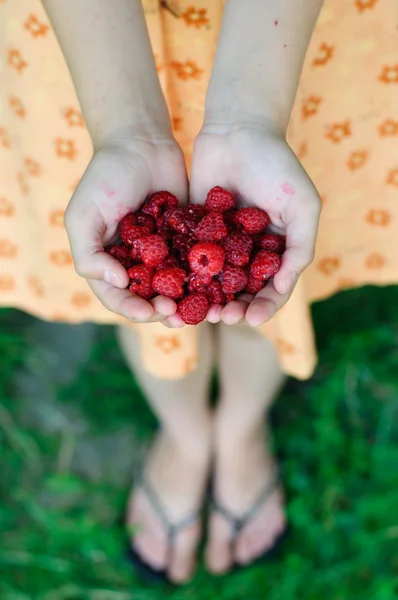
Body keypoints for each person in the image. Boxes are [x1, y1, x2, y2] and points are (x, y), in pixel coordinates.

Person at [1, 0, 397, 585]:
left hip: (290, 40)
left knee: (273, 286)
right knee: (140, 295)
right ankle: (185, 433)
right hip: (92, 50)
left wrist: (250, 117)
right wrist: (125, 131)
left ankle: (239, 426)